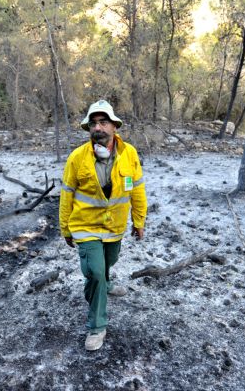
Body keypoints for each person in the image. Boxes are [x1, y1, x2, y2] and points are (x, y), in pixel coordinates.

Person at [59, 100, 147, 351]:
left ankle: (106, 284)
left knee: (109, 262)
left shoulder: (129, 153)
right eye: (93, 123)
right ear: (89, 129)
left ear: (115, 127)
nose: (98, 127)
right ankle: (97, 326)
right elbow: (66, 194)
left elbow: (137, 189)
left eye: (103, 122)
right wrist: (65, 227)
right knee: (95, 272)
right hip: (85, 225)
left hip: (115, 227)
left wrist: (139, 220)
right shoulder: (77, 158)